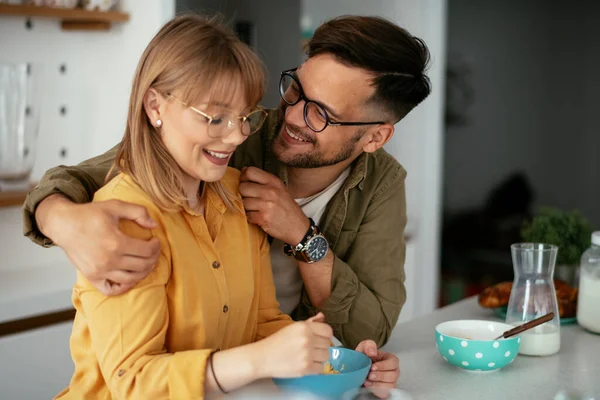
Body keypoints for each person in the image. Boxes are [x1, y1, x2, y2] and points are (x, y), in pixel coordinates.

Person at [25, 14, 430, 362]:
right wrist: (64, 222)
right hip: (192, 369)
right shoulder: (233, 134)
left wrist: (303, 236)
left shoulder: (381, 183)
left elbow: (371, 330)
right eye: (295, 89)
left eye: (320, 114)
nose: (290, 114)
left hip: (282, 370)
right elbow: (83, 177)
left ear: (375, 137)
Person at [53, 14, 335, 399]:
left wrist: (331, 359)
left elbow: (262, 322)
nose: (237, 135)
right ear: (155, 106)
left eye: (243, 116)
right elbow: (133, 381)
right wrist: (259, 360)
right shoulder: (126, 219)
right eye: (216, 117)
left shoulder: (239, 197)